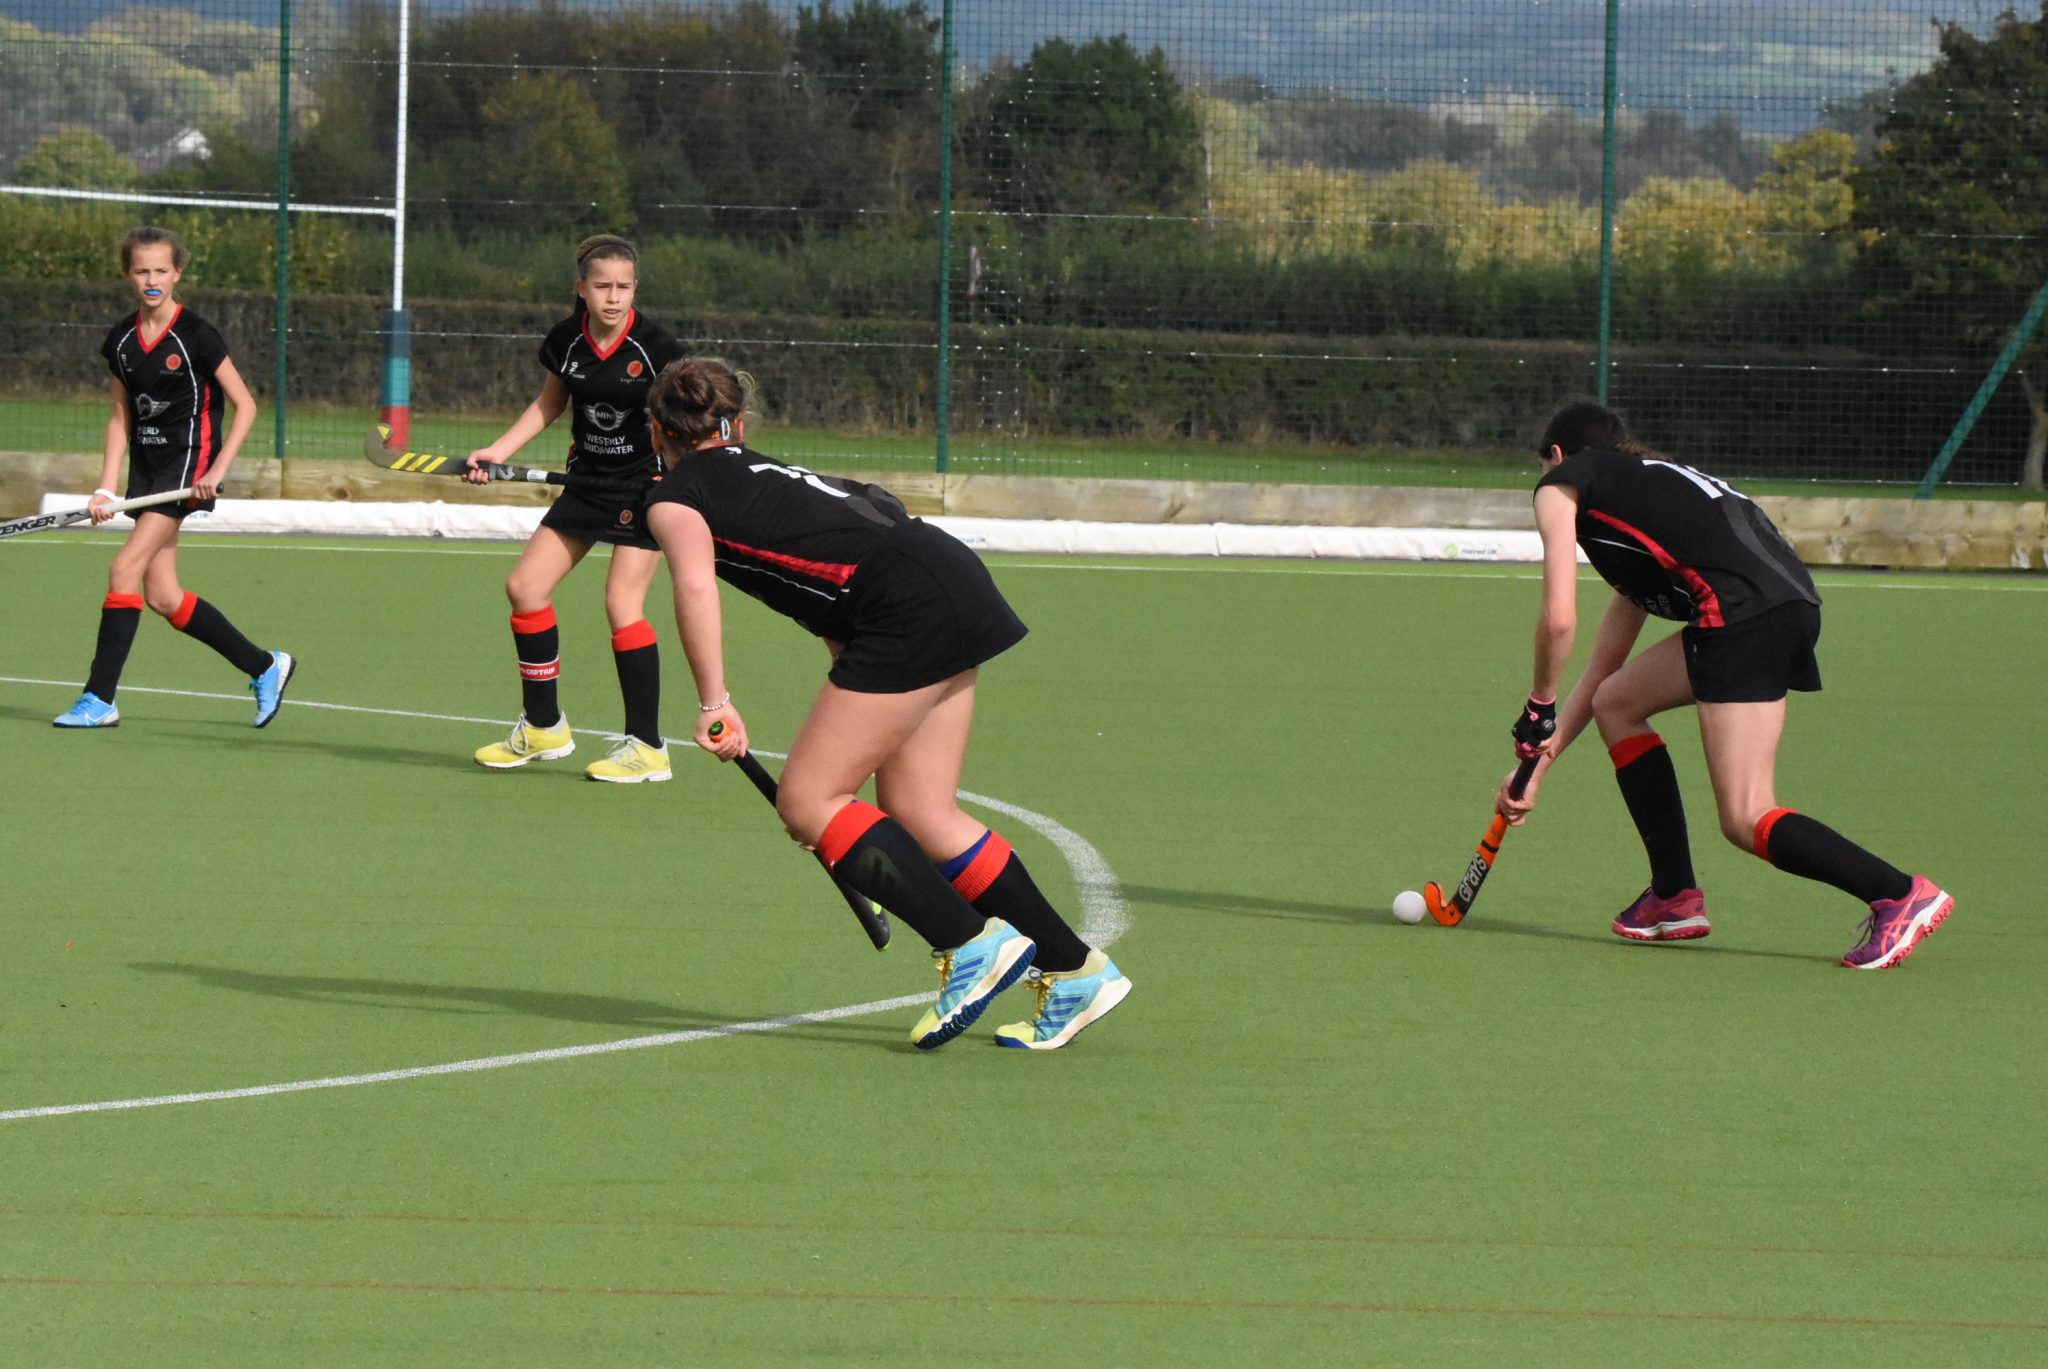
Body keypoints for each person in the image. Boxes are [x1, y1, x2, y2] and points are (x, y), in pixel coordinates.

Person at [640, 357, 1132, 1050]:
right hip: (949, 577)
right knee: (921, 811)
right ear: (738, 426)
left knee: (808, 800)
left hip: (904, 608)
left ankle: (968, 944)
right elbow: (852, 548)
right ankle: (1073, 968)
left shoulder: (675, 498)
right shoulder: (772, 472)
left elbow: (695, 587)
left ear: (656, 432)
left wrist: (713, 701)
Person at [1496, 399, 1952, 969]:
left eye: (1543, 468)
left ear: (1558, 456)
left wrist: (1539, 705)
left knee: (1745, 815)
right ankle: (1673, 896)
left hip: (1740, 616)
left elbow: (1559, 619)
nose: (1544, 481)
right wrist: (1539, 765)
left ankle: (1899, 894)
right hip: (1788, 607)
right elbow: (1602, 671)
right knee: (1617, 703)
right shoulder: (1645, 503)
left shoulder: (1563, 484)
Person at [462, 234, 686, 782]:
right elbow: (549, 404)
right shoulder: (566, 340)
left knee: (621, 603)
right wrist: (497, 452)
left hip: (644, 486)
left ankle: (648, 747)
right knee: (525, 588)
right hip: (586, 482)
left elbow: (684, 418)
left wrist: (682, 477)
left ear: (635, 289)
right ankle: (544, 727)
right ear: (581, 288)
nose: (613, 297)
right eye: (603, 286)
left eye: (624, 287)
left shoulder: (657, 348)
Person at [54, 226, 294, 731]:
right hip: (148, 469)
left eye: (161, 270)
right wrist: (105, 487)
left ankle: (99, 698)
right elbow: (120, 417)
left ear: (177, 273)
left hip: (187, 465)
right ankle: (265, 666)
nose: (152, 280)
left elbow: (246, 405)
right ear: (128, 274)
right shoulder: (120, 340)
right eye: (142, 270)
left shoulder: (197, 336)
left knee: (124, 569)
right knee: (163, 596)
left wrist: (216, 470)